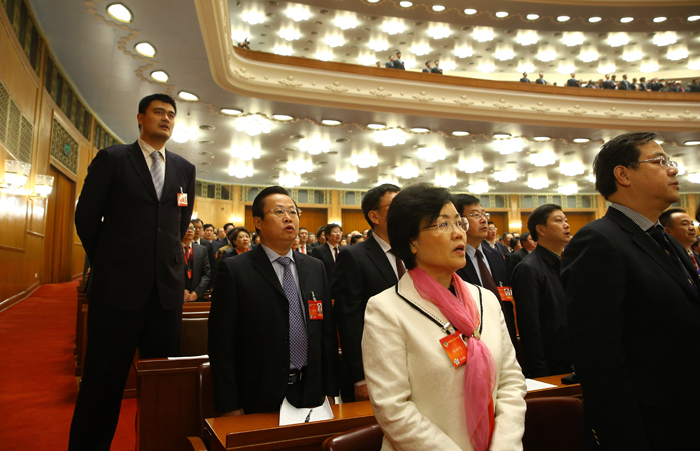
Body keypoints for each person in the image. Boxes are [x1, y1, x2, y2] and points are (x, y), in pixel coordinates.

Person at [71, 93, 195, 450]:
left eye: (171, 114)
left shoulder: (185, 169)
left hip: (165, 296)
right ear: (140, 118)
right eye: (159, 112)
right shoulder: (113, 159)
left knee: (163, 388)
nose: (166, 119)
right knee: (102, 385)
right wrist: (110, 261)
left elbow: (178, 223)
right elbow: (87, 218)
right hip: (117, 292)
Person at [561, 132, 700, 450]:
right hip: (653, 426)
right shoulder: (598, 241)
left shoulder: (663, 239)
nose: (673, 169)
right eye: (660, 161)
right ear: (623, 174)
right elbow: (599, 360)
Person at [362, 184, 526, 450]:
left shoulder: (485, 300)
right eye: (442, 224)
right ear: (411, 241)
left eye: (458, 223)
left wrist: (504, 446)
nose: (458, 233)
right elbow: (393, 408)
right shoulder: (386, 309)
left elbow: (510, 382)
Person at [208, 186, 339, 415]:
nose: (288, 217)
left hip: (310, 390)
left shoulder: (315, 267)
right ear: (258, 222)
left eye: (293, 211)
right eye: (279, 212)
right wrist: (230, 405)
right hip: (258, 393)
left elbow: (326, 334)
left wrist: (330, 390)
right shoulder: (235, 269)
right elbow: (221, 344)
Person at [333, 184, 401, 402]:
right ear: (374, 216)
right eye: (395, 206)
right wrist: (360, 378)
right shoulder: (353, 256)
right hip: (378, 365)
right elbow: (349, 318)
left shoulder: (415, 252)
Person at [511, 205, 572, 378]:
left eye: (565, 220)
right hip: (551, 363)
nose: (566, 225)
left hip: (575, 356)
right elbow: (529, 326)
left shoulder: (569, 262)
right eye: (558, 221)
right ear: (541, 230)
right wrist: (540, 371)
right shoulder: (528, 268)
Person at [453, 195, 518, 349]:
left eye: (484, 214)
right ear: (460, 222)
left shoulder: (496, 256)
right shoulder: (452, 259)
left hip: (503, 336)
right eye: (475, 215)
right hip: (471, 341)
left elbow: (505, 299)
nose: (483, 220)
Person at [181, 224, 211, 302]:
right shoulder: (173, 249)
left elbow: (207, 273)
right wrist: (180, 291)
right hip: (177, 296)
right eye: (187, 228)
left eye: (191, 228)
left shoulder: (202, 249)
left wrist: (197, 292)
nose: (190, 230)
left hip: (197, 296)